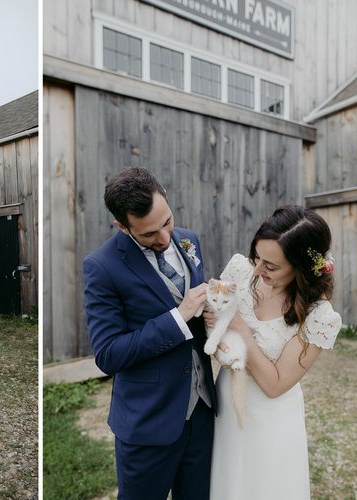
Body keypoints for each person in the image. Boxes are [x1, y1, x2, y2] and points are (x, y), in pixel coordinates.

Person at [83, 167, 216, 500]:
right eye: (148, 234)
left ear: (166, 200)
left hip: (202, 410)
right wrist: (179, 316)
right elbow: (108, 354)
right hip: (149, 422)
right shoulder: (102, 267)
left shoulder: (189, 239)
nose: (164, 238)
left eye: (166, 222)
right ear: (122, 226)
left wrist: (212, 311)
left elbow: (194, 306)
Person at [206, 205, 342, 500]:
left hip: (272, 421)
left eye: (270, 266)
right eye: (257, 257)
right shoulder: (241, 272)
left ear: (301, 268)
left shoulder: (319, 317)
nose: (257, 269)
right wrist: (218, 336)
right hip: (227, 409)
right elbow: (213, 325)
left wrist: (241, 330)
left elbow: (275, 384)